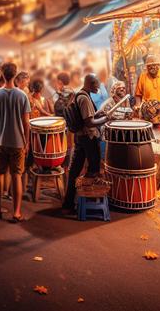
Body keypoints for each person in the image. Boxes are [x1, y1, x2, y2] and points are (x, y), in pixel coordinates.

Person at [0, 62, 31, 223]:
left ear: (2, 74)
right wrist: (26, 141)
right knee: (16, 176)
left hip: (0, 141)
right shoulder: (22, 96)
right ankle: (17, 212)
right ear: (15, 75)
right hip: (18, 142)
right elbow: (26, 122)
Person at [62, 74, 108, 214]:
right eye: (96, 84)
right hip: (88, 138)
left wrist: (98, 115)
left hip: (80, 138)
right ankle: (89, 198)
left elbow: (88, 118)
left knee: (75, 170)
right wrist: (106, 118)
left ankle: (68, 203)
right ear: (90, 83)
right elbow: (89, 122)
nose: (98, 87)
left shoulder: (80, 95)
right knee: (93, 170)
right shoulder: (84, 98)